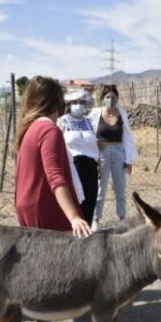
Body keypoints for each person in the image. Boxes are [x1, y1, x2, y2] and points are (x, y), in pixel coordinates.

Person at [15, 76, 91, 322]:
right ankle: (47, 319)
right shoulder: (49, 130)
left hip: (28, 201)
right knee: (50, 266)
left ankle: (43, 320)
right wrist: (73, 216)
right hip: (45, 205)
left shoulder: (29, 128)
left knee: (38, 264)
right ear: (55, 101)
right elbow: (55, 175)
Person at [88, 84, 137, 230]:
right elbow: (89, 134)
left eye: (113, 97)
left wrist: (129, 160)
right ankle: (96, 219)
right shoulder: (95, 114)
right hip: (101, 153)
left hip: (119, 152)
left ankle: (122, 219)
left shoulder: (121, 113)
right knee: (100, 188)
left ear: (117, 98)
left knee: (120, 187)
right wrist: (94, 151)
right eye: (107, 97)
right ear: (102, 98)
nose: (110, 99)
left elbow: (127, 136)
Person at [57, 90, 99, 226]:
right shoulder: (63, 121)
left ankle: (87, 232)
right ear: (69, 104)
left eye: (81, 102)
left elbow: (95, 145)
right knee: (76, 201)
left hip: (91, 167)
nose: (79, 105)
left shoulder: (89, 122)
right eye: (75, 102)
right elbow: (57, 143)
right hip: (73, 166)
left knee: (90, 200)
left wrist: (100, 164)